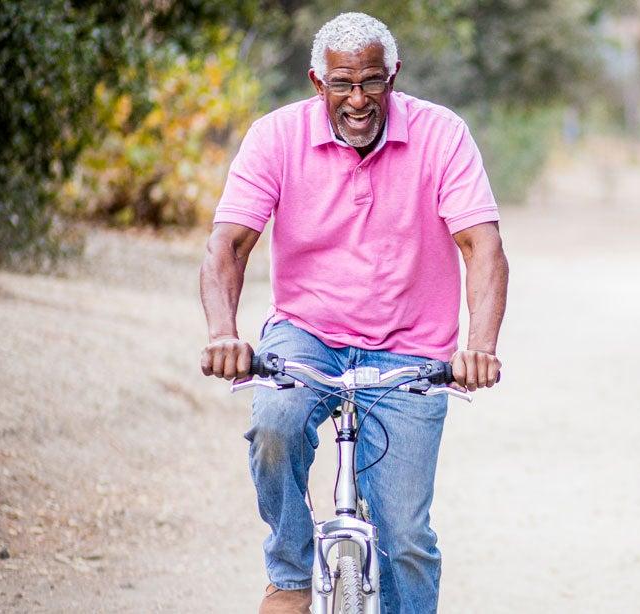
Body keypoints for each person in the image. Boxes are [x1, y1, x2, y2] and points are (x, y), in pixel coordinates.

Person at [198, 12, 508, 614]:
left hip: (412, 350)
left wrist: (481, 347)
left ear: (394, 76)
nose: (358, 99)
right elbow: (228, 245)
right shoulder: (275, 137)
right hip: (307, 336)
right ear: (318, 83)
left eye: (371, 82)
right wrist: (222, 334)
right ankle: (289, 574)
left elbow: (483, 247)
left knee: (407, 539)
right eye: (343, 84)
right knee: (275, 422)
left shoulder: (441, 135)